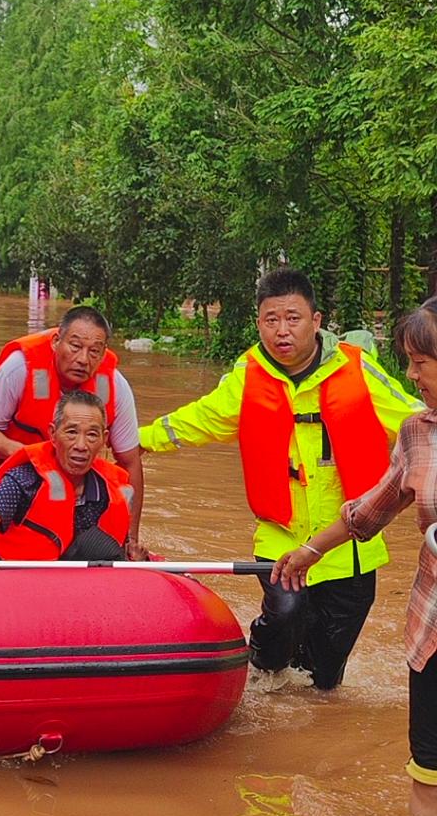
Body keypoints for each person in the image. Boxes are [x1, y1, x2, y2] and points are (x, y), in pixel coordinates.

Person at [139, 267, 420, 691]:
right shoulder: (246, 377)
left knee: (323, 681)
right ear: (259, 324)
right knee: (285, 613)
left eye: (293, 318)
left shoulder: (358, 373)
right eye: (271, 320)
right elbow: (198, 419)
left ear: (316, 321)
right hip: (280, 537)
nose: (282, 331)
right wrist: (135, 441)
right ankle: (259, 674)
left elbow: (417, 422)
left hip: (350, 548)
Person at [271, 298, 437, 816]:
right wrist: (311, 550)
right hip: (433, 630)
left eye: (421, 362)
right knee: (429, 774)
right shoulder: (418, 433)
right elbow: (371, 509)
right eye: (409, 362)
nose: (411, 376)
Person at [0, 306, 145, 545]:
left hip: (74, 471)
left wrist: (131, 538)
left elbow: (130, 461)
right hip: (6, 464)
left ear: (104, 353)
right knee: (0, 538)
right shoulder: (20, 368)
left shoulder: (115, 386)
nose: (83, 359)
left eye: (94, 351)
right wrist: (31, 460)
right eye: (75, 346)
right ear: (55, 342)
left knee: (92, 537)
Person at [0, 392, 131, 571]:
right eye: (71, 432)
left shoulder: (107, 491)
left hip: (62, 581)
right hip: (8, 575)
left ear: (104, 439)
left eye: (92, 435)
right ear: (53, 434)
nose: (81, 445)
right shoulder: (23, 479)